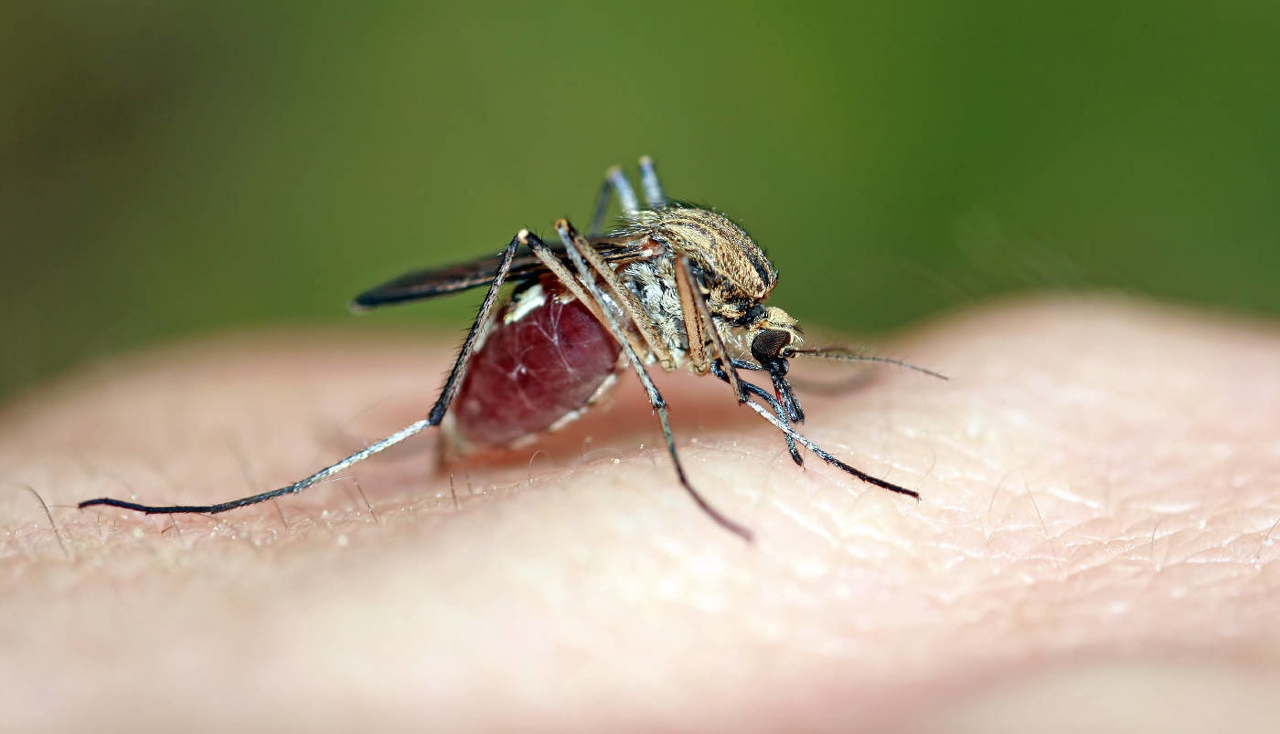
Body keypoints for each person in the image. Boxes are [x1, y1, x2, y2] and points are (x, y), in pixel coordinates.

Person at [1, 298, 1276, 731]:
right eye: (769, 364)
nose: (769, 375)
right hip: (559, 327)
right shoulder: (695, 312)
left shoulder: (734, 307)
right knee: (560, 259)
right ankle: (398, 441)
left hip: (622, 307)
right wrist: (676, 440)